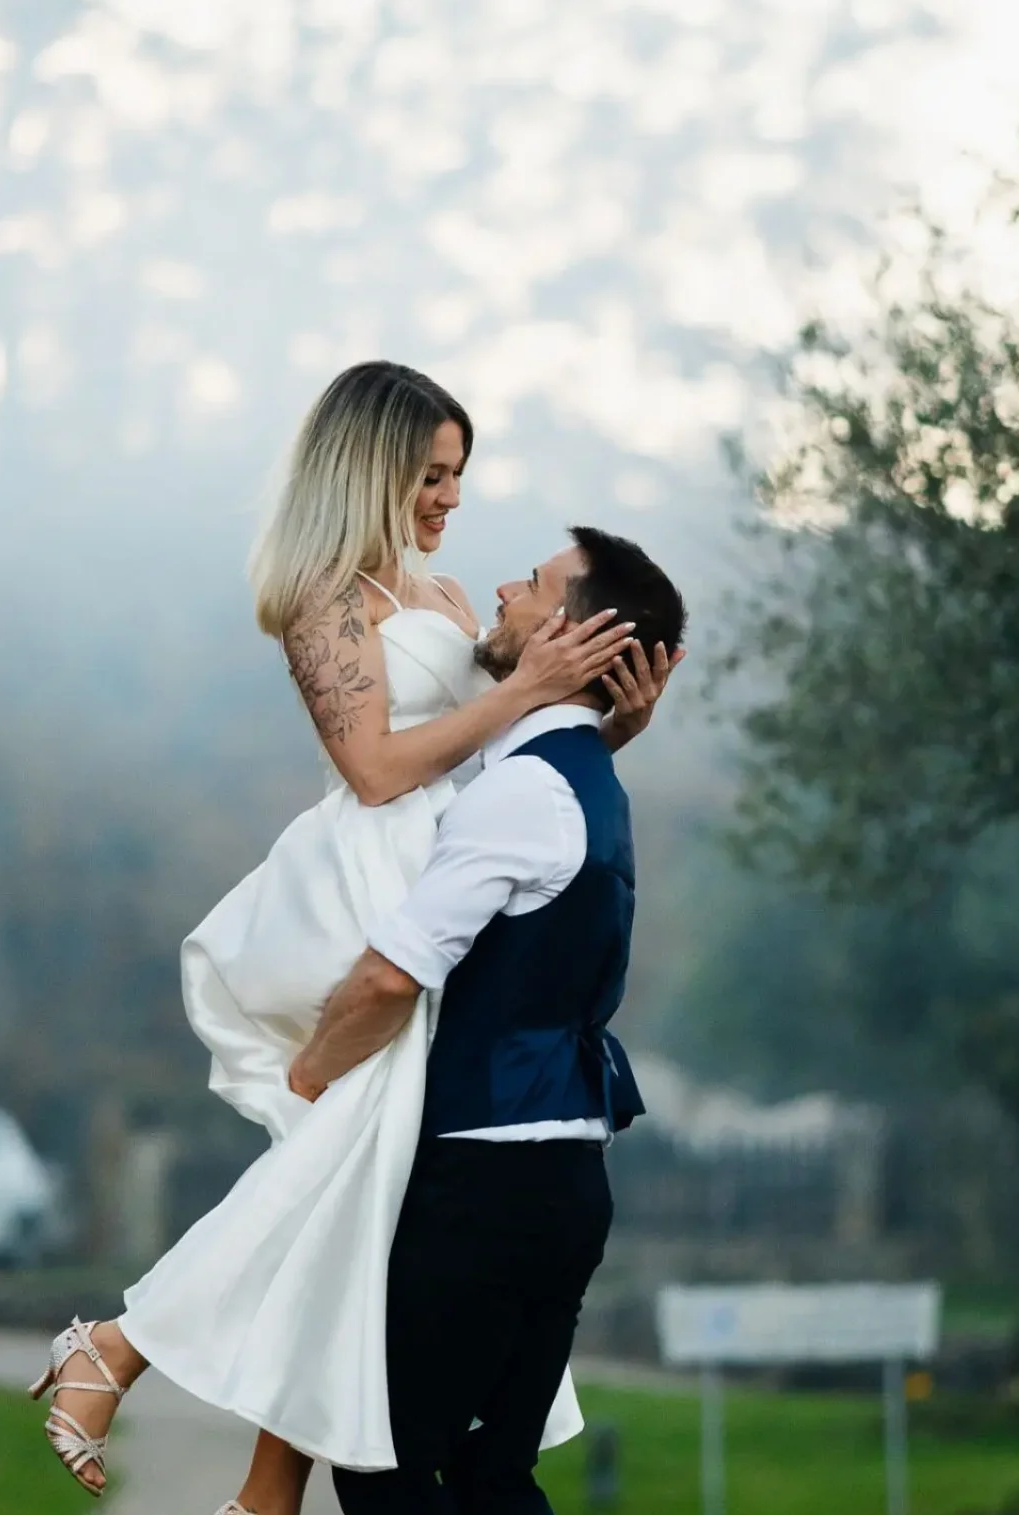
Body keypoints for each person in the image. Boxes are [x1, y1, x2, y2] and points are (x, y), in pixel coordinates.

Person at [29, 363, 682, 1512]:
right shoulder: (324, 594)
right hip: (371, 881)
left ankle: (265, 1486)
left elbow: (509, 772)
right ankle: (120, 1349)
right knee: (362, 1158)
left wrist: (599, 723)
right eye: (431, 474)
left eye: (458, 476)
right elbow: (376, 766)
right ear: (370, 467)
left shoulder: (438, 599)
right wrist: (528, 682)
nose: (450, 499)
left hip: (447, 866)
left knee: (364, 1192)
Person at [290, 526, 686, 1515]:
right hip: (562, 1180)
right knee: (492, 1476)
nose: (505, 587)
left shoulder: (522, 793)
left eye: (537, 582)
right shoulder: (586, 782)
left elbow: (391, 977)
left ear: (571, 630)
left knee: (387, 1469)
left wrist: (306, 1080)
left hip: (485, 1180)